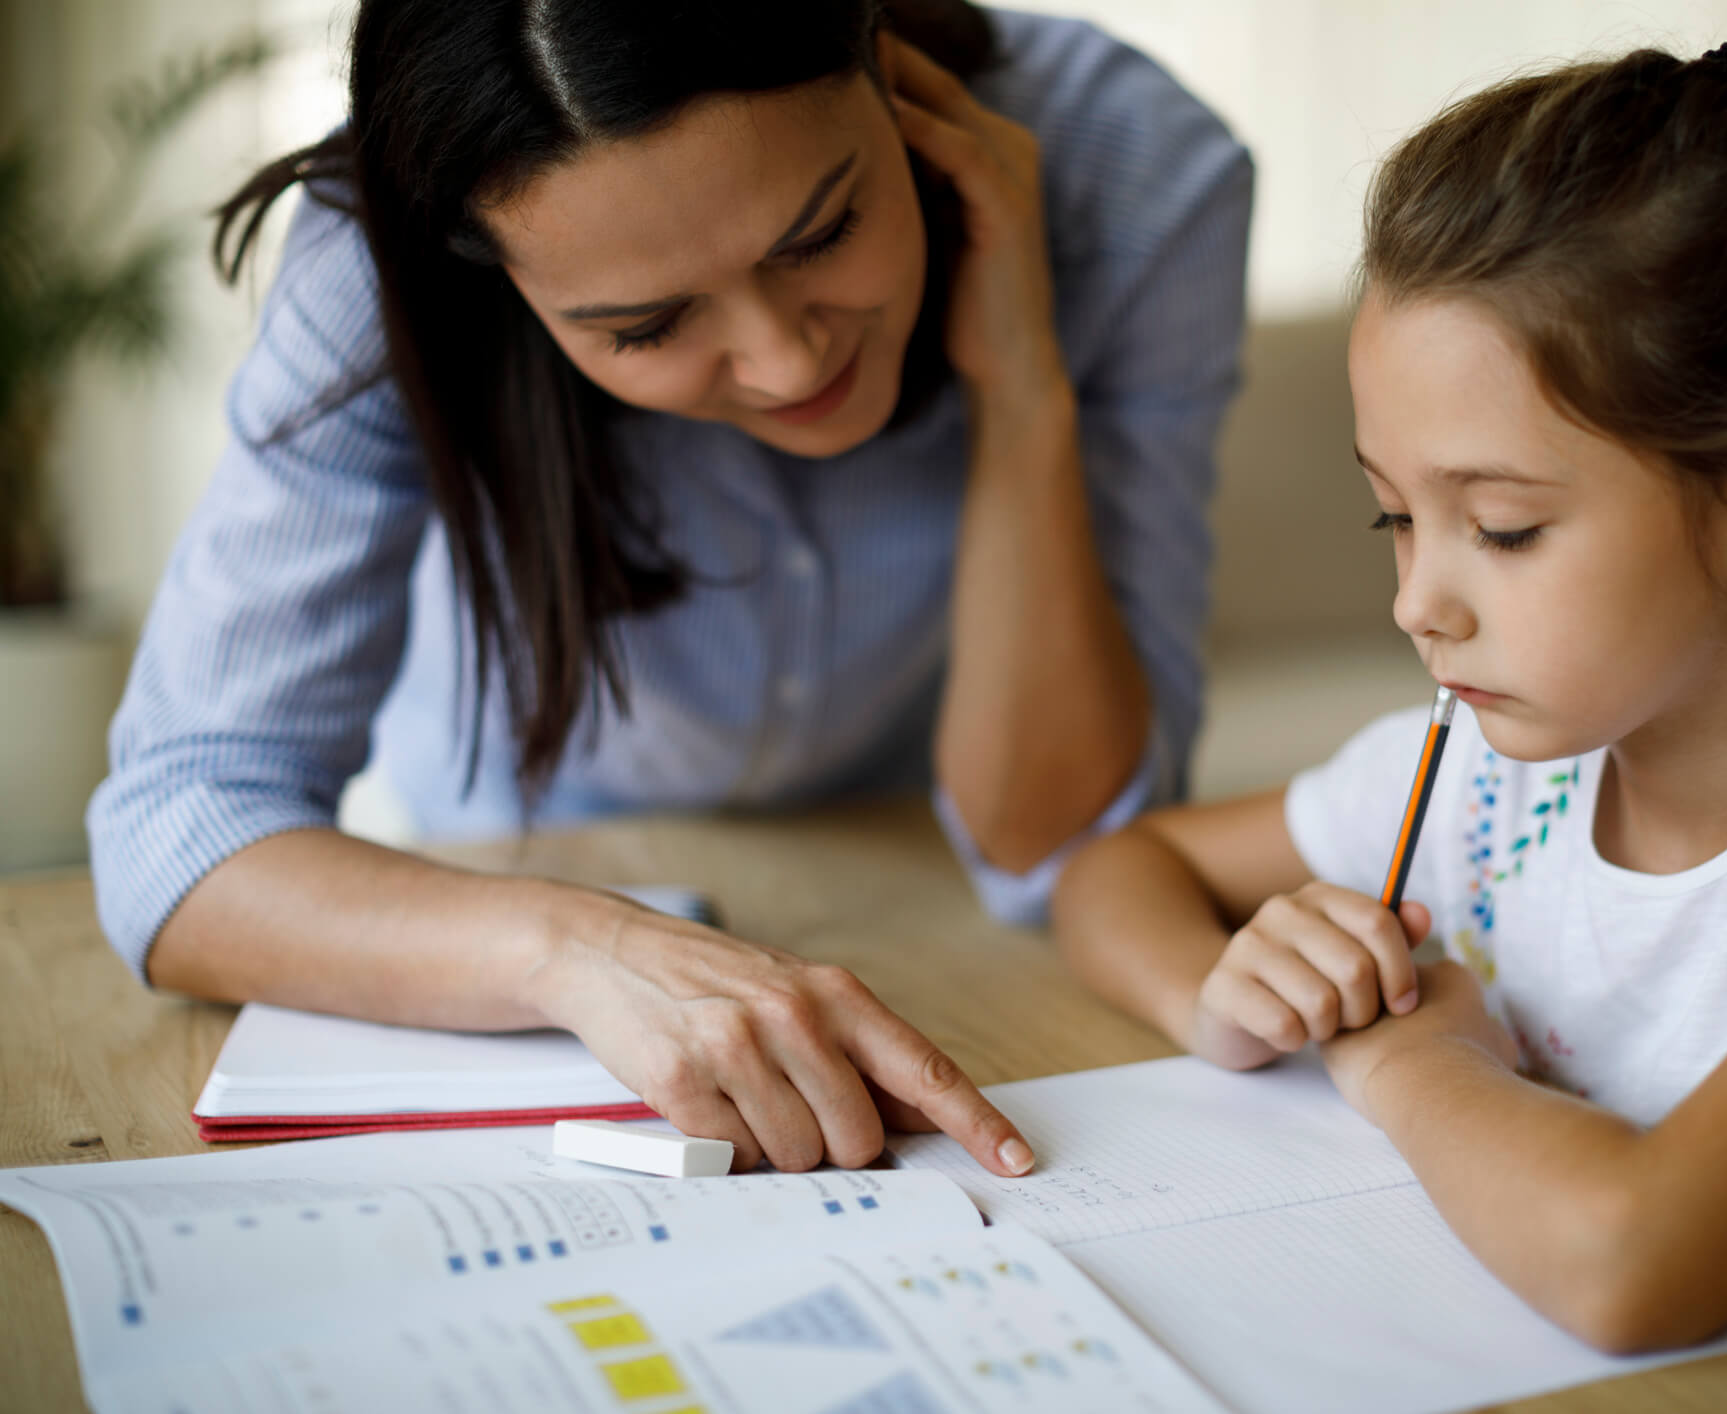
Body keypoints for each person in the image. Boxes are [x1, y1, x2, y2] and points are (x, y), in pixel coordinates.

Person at [1052, 0, 1727, 1368]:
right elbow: (1113, 872)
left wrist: (1406, 1057)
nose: (1414, 600)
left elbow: (1637, 1264)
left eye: (1499, 528)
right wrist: (1221, 990)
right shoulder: (1479, 774)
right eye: (1394, 516)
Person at [89, 0, 1251, 1179]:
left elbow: (1057, 850)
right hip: (519, 868)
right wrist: (576, 949)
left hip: (918, 884)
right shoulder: (370, 253)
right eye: (646, 325)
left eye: (825, 229)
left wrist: (1023, 388)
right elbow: (179, 832)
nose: (788, 362)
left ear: (877, 60)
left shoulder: (1131, 159)